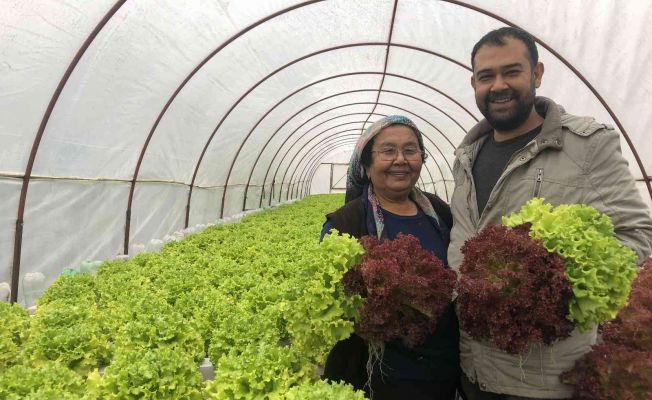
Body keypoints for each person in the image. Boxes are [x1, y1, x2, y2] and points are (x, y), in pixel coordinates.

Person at [448, 26, 652, 400]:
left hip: (544, 380)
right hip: (470, 366)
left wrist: (554, 288)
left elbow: (635, 233)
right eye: (486, 76)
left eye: (511, 71)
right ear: (474, 83)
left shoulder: (586, 146)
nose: (498, 86)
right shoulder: (466, 155)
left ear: (537, 74)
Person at [320, 115, 460, 400]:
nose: (401, 160)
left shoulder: (439, 213)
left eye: (410, 150)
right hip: (374, 375)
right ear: (366, 166)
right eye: (388, 151)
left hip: (441, 370)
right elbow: (332, 304)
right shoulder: (344, 224)